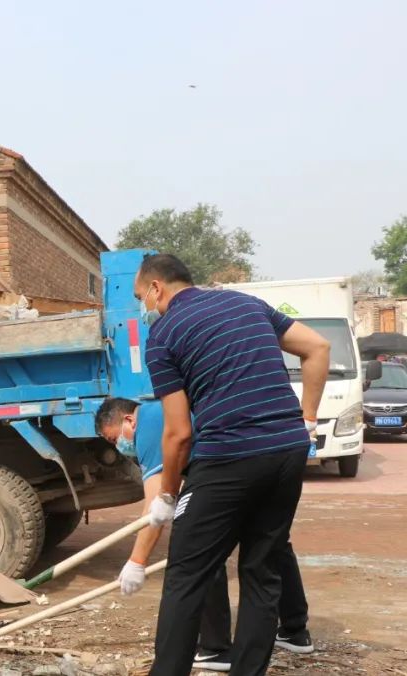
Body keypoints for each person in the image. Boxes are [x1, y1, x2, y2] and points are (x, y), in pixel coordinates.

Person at [135, 253, 329, 676]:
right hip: (287, 453)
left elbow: (179, 433)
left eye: (141, 297)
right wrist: (307, 420)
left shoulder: (164, 335)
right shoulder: (246, 303)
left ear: (156, 288)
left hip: (227, 457)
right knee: (263, 571)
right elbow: (317, 347)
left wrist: (168, 494)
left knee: (186, 574)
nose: (144, 307)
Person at [95, 397, 314, 673]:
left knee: (196, 554)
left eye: (114, 438)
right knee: (271, 551)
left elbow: (154, 505)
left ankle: (214, 648)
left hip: (227, 467)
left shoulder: (148, 422)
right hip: (274, 456)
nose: (120, 446)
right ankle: (296, 630)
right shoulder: (170, 409)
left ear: (128, 420)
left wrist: (137, 561)